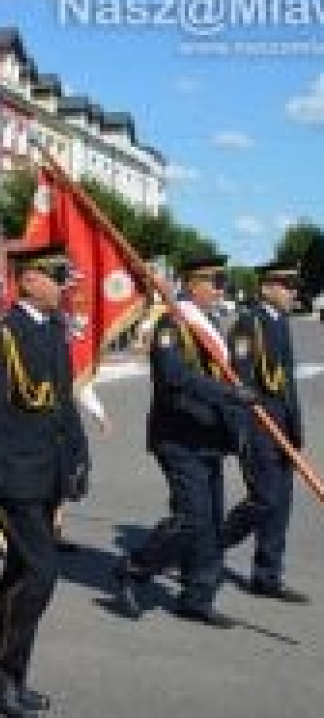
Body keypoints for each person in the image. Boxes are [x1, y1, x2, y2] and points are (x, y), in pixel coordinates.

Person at [0, 243, 90, 717]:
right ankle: (0, 675)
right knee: (40, 575)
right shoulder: (2, 336)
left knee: (19, 573)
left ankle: (9, 675)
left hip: (46, 473)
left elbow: (61, 402)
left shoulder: (54, 330)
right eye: (56, 277)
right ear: (29, 280)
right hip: (13, 478)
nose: (64, 286)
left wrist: (78, 460)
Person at [113, 254, 255, 627]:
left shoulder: (209, 323)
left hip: (209, 437)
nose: (220, 289)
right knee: (191, 518)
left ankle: (197, 596)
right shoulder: (171, 324)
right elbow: (174, 376)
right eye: (214, 281)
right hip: (177, 435)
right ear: (192, 284)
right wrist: (229, 395)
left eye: (223, 282)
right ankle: (135, 567)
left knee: (209, 522)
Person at [222, 262, 309, 603]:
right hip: (259, 430)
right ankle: (210, 545)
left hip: (283, 427)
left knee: (281, 505)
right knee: (265, 500)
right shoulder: (249, 324)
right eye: (288, 286)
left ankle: (267, 575)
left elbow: (286, 382)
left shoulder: (280, 323)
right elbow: (239, 382)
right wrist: (240, 433)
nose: (293, 293)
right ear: (268, 287)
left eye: (294, 287)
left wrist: (295, 427)